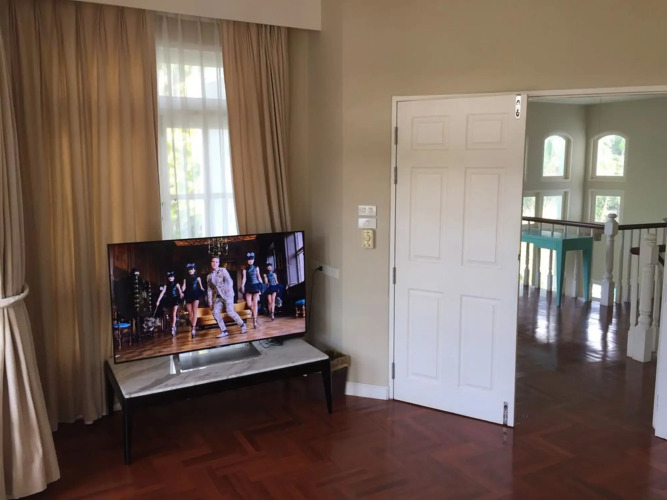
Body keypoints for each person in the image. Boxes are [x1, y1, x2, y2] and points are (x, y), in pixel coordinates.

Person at [207, 256, 247, 337]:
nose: (214, 263)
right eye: (213, 262)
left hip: (228, 295)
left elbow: (229, 281)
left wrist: (227, 291)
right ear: (211, 263)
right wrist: (210, 302)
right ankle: (224, 331)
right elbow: (209, 290)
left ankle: (242, 325)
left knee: (230, 311)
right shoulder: (209, 276)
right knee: (215, 312)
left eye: (216, 262)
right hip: (218, 297)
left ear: (218, 263)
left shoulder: (223, 270)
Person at [156, 271, 183, 336]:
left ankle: (173, 327)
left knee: (173, 313)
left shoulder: (176, 284)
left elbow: (180, 291)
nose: (170, 278)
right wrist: (158, 300)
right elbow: (162, 293)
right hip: (169, 300)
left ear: (174, 277)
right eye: (169, 277)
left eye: (171, 276)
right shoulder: (166, 285)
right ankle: (173, 325)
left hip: (175, 299)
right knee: (170, 314)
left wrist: (181, 294)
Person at [182, 263, 206, 338]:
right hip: (188, 295)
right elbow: (184, 287)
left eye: (192, 269)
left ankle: (193, 329)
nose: (190, 271)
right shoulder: (185, 279)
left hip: (195, 294)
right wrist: (181, 291)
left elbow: (201, 287)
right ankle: (193, 326)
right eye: (189, 269)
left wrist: (204, 292)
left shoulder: (198, 278)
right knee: (190, 313)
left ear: (194, 270)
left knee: (195, 311)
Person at [241, 252, 263, 328]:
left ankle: (255, 320)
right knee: (249, 304)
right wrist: (242, 285)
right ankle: (254, 312)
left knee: (255, 303)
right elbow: (244, 278)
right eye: (249, 260)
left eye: (251, 259)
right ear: (247, 261)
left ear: (253, 260)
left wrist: (261, 284)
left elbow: (258, 276)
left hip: (256, 285)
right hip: (248, 286)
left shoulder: (256, 268)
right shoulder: (245, 269)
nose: (250, 261)